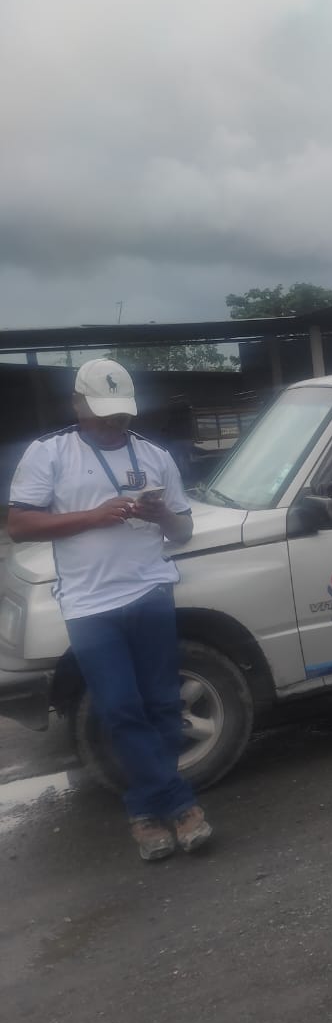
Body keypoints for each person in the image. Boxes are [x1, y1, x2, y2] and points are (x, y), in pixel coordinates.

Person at [7, 359, 212, 862]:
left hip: (150, 594)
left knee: (162, 705)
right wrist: (92, 517)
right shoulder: (49, 453)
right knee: (120, 708)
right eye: (101, 412)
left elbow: (183, 531)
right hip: (89, 605)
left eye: (120, 412)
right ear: (77, 403)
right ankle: (180, 804)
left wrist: (161, 515)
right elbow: (20, 525)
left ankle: (144, 810)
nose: (112, 422)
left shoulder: (154, 456)